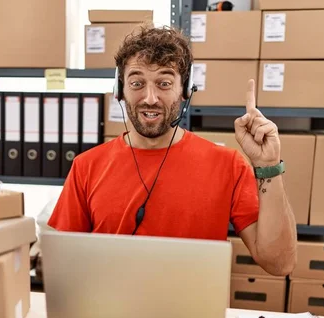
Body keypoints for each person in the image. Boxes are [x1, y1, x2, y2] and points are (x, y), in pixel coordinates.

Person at [47, 26, 297, 276]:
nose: (150, 98)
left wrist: (269, 165)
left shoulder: (228, 165)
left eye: (164, 83)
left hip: (192, 314)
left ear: (185, 90)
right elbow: (65, 266)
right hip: (110, 313)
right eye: (137, 83)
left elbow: (279, 263)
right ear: (119, 90)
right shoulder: (86, 166)